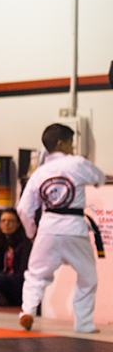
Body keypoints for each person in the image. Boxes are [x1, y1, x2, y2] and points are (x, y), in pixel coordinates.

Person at [16, 123, 106, 333]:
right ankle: (83, 324)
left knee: (35, 275)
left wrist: (31, 233)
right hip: (74, 228)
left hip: (47, 228)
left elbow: (23, 209)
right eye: (71, 143)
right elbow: (100, 179)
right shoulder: (77, 163)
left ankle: (27, 311)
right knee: (87, 278)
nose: (73, 148)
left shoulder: (39, 173)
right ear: (61, 143)